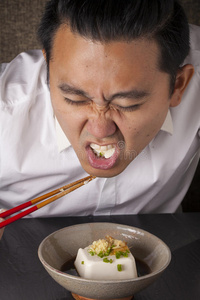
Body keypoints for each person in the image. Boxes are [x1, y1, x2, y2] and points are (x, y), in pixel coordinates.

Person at [0, 0, 200, 235]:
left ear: (177, 86)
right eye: (75, 98)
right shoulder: (7, 109)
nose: (100, 129)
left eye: (128, 103)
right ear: (48, 67)